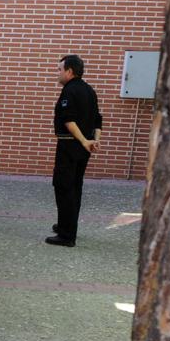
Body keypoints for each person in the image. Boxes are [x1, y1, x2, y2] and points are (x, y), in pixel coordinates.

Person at [48, 54, 102, 247]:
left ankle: (66, 236)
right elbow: (98, 120)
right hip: (83, 147)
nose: (58, 73)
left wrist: (83, 140)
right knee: (75, 186)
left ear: (69, 71)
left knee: (64, 187)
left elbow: (68, 120)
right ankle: (66, 225)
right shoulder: (89, 90)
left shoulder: (70, 91)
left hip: (70, 146)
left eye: (59, 69)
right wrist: (92, 141)